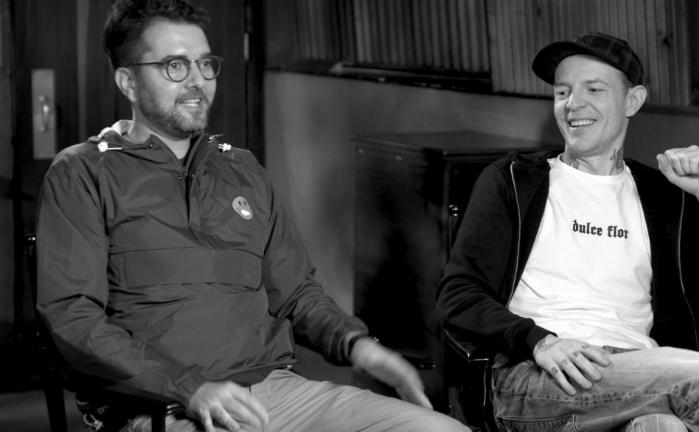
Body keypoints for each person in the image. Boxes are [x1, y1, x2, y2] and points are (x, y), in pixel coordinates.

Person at [35, 1, 468, 431]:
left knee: (441, 430)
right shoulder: (83, 172)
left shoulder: (241, 168)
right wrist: (189, 388)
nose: (197, 81)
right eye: (175, 66)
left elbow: (295, 291)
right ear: (128, 81)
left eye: (206, 64)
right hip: (158, 406)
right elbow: (72, 317)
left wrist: (357, 345)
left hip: (273, 391)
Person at [436, 32, 699, 432]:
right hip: (540, 376)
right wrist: (538, 340)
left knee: (663, 427)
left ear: (633, 100)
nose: (573, 104)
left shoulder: (664, 197)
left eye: (594, 89)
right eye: (562, 91)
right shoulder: (513, 182)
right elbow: (458, 295)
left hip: (641, 372)